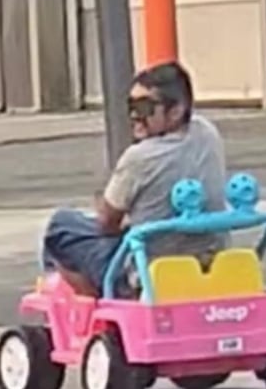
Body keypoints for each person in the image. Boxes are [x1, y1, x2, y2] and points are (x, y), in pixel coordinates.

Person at [40, 61, 228, 297]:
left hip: (145, 275)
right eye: (131, 106)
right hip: (208, 263)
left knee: (61, 225)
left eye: (144, 108)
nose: (133, 116)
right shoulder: (207, 133)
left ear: (176, 110)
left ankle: (96, 305)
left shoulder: (140, 158)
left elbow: (107, 223)